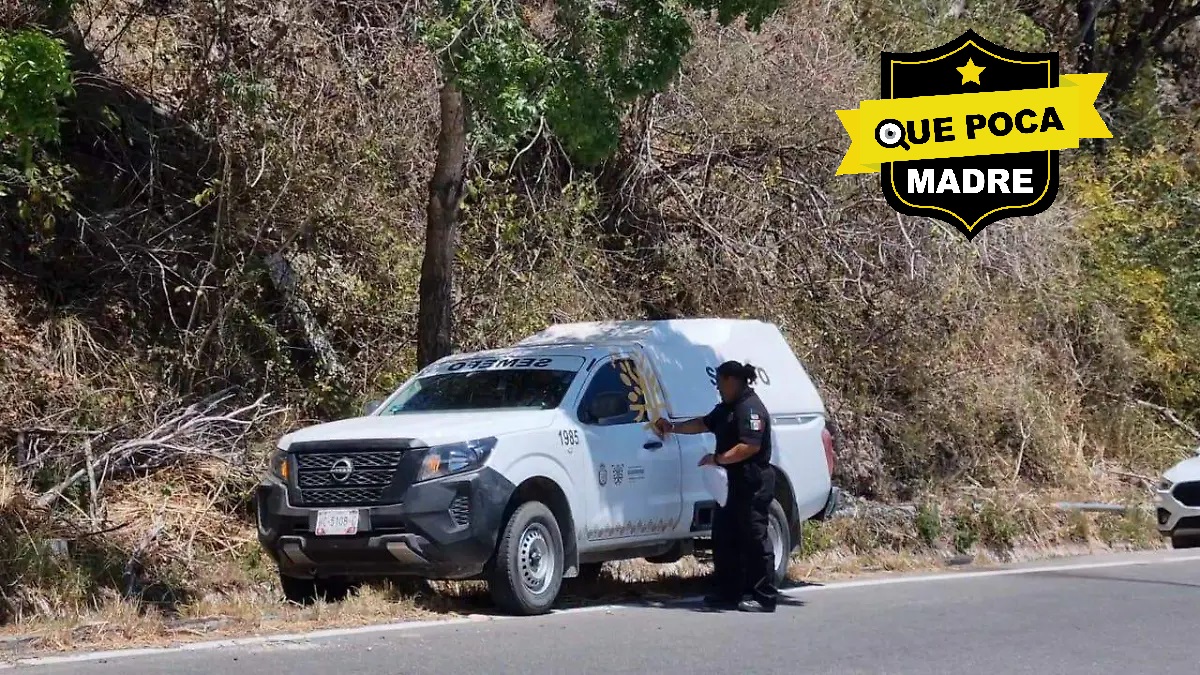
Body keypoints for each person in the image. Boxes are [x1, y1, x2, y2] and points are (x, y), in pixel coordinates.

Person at [653, 360, 778, 613]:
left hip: (752, 483)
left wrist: (718, 459)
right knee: (724, 538)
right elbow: (703, 423)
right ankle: (728, 592)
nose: (718, 388)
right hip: (728, 485)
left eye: (720, 383)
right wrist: (672, 428)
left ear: (732, 381)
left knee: (754, 538)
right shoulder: (727, 408)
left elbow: (749, 446)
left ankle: (763, 596)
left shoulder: (750, 409)